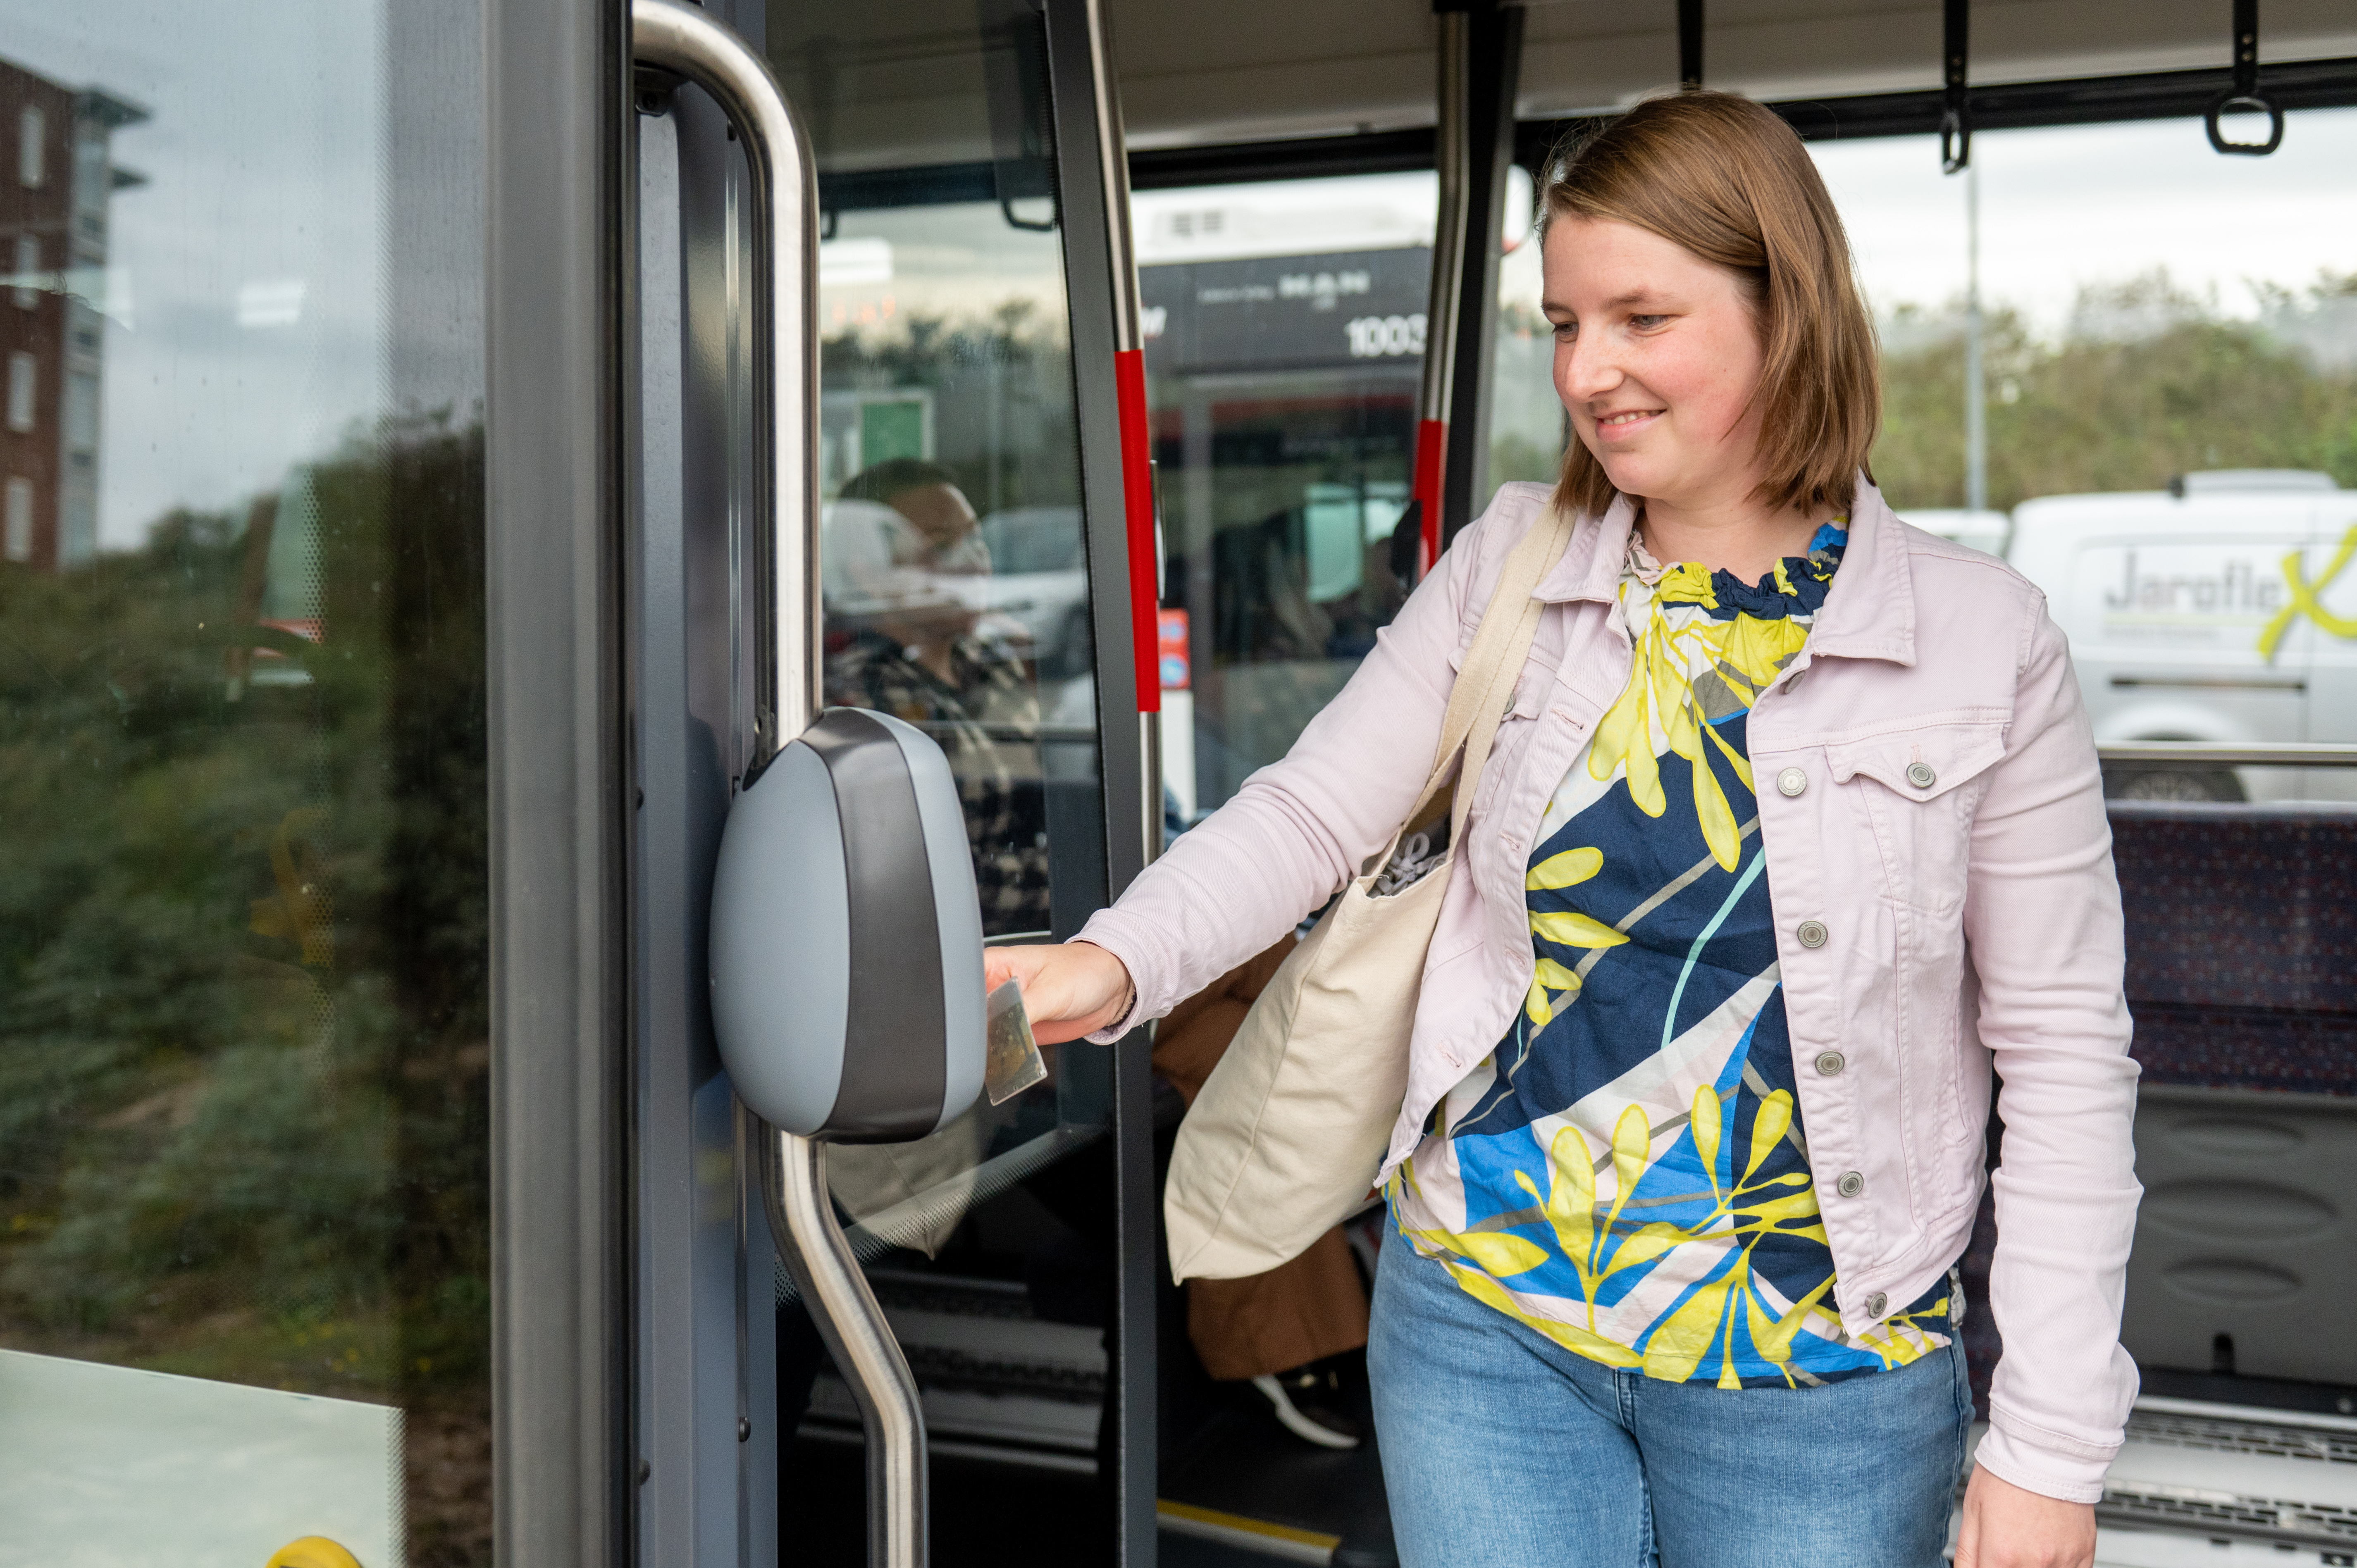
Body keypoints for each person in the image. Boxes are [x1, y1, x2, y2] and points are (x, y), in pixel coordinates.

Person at [988, 92, 2136, 1568]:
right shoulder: (1508, 571)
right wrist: (1115, 958)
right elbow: (1310, 808)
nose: (1588, 372)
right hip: (1486, 1325)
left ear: (1788, 312)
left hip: (1816, 1376)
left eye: (1642, 318)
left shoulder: (1986, 641)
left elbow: (2063, 1055)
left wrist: (2050, 1445)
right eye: (1562, 323)